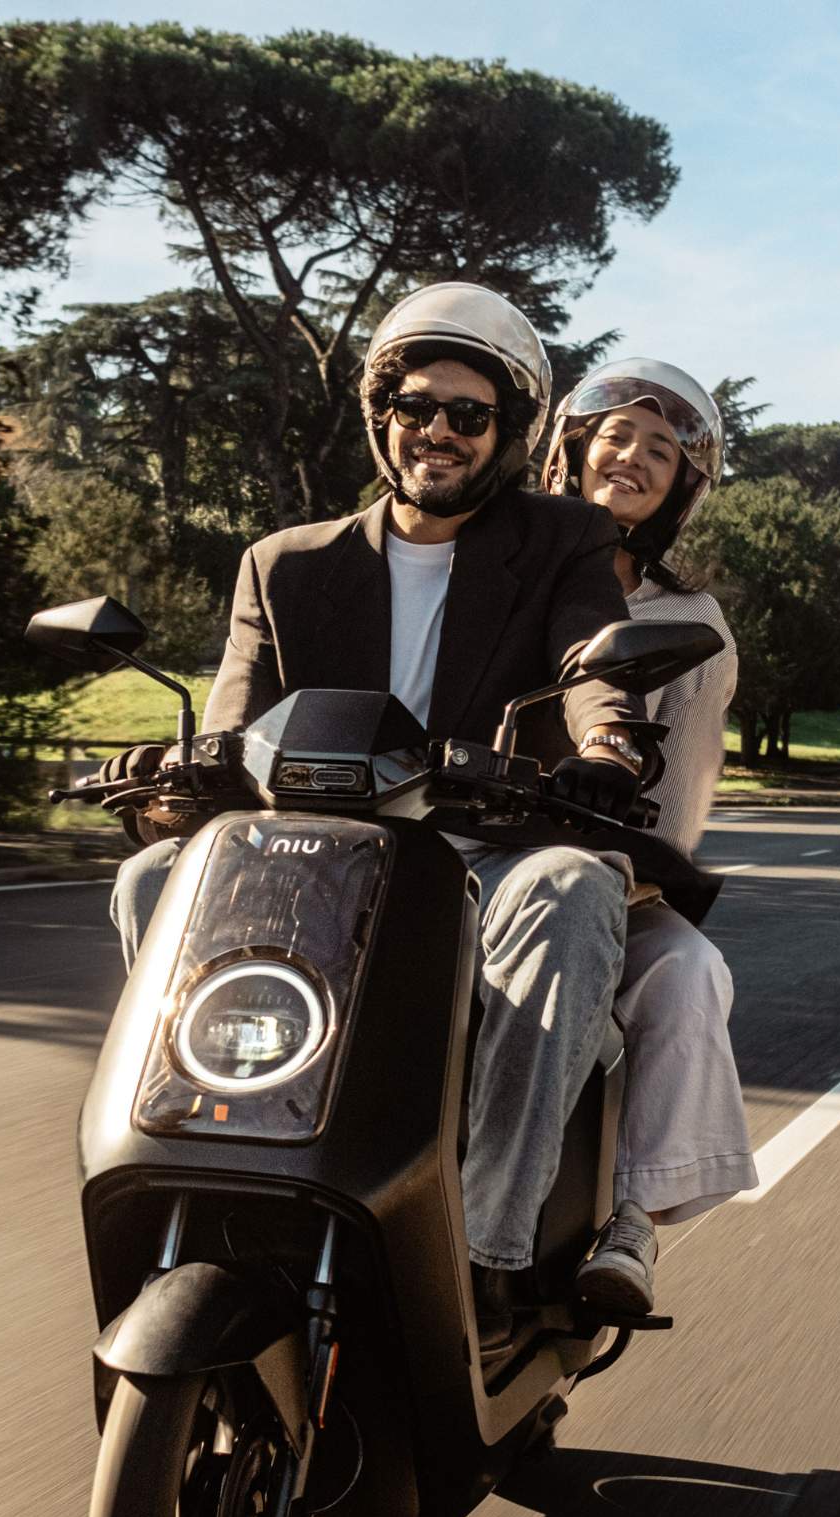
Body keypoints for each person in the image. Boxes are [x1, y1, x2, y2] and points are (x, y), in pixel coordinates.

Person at [102, 283, 653, 1347]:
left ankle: (485, 1255)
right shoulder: (285, 562)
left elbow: (595, 668)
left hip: (479, 849)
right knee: (152, 879)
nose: (434, 431)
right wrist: (172, 775)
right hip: (315, 854)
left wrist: (604, 748)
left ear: (507, 433)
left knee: (573, 888)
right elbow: (230, 727)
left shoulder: (561, 542)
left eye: (465, 413)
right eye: (412, 405)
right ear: (378, 414)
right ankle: (208, 1161)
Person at [543, 358, 759, 1318]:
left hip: (605, 872)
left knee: (687, 971)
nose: (631, 457)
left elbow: (680, 802)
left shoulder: (691, 620)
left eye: (661, 450)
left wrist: (624, 871)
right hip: (447, 851)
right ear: (573, 445)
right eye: (617, 435)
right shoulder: (496, 565)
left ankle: (629, 1221)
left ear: (683, 486)